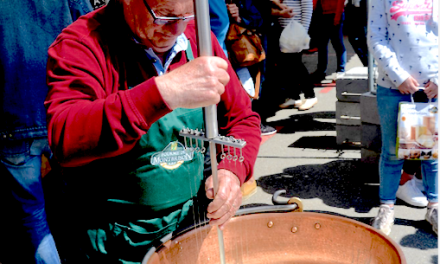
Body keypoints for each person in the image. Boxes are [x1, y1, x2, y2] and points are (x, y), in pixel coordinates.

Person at [44, 0, 262, 262]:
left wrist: (231, 172)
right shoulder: (82, 43)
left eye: (187, 15)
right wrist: (163, 93)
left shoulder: (198, 37)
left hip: (191, 224)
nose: (176, 30)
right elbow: (65, 137)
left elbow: (242, 119)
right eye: (164, 16)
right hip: (114, 239)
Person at [0, 1, 93, 263]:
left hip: (13, 117)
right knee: (84, 200)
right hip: (64, 108)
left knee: (33, 216)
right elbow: (91, 24)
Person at [368, 0, 438, 235]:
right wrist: (398, 77)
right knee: (391, 151)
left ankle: (434, 206)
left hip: (432, 89)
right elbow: (376, 37)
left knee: (431, 152)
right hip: (393, 88)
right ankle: (386, 207)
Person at [270, 0, 318, 111]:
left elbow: (307, 9)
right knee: (286, 65)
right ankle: (294, 96)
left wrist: (302, 31)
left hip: (295, 30)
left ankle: (310, 95)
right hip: (282, 29)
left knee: (295, 63)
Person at [310, 0, 347, 83]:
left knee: (337, 44)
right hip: (324, 14)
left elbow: (340, 2)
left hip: (334, 13)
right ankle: (321, 71)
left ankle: (341, 70)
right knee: (322, 45)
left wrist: (337, 16)